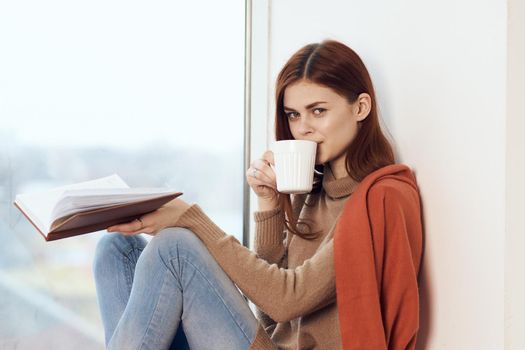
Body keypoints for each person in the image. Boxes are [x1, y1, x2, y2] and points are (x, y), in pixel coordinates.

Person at [93, 39, 423, 350]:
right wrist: (269, 205)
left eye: (318, 110)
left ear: (361, 107)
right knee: (117, 248)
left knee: (175, 247)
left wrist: (192, 219)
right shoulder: (312, 192)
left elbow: (286, 300)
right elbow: (268, 312)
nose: (302, 127)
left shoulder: (383, 199)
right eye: (294, 114)